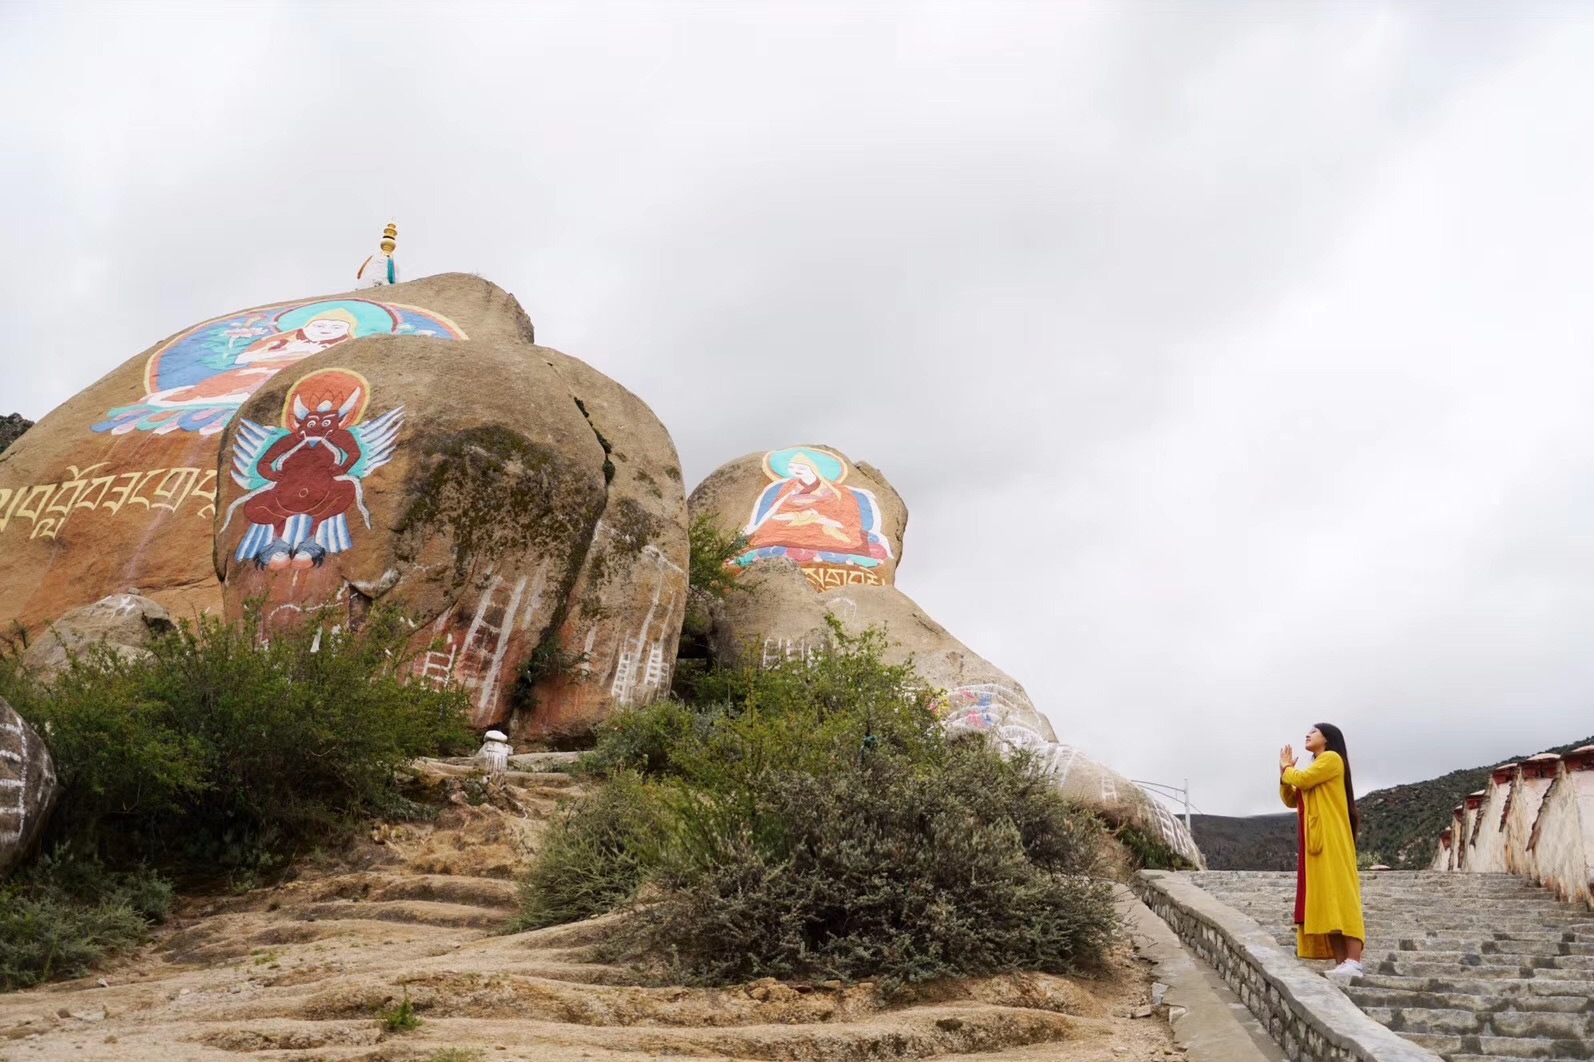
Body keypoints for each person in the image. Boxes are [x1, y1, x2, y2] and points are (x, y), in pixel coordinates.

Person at [1279, 723, 1366, 985]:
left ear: (1327, 739)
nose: (1307, 734)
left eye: (1313, 731)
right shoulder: (1316, 767)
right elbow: (1292, 798)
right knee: (1328, 902)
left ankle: (1354, 961)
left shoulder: (1331, 759)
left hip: (1332, 838)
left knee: (1342, 896)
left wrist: (1288, 769)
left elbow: (1301, 780)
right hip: (1316, 843)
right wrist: (1284, 774)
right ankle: (1342, 963)